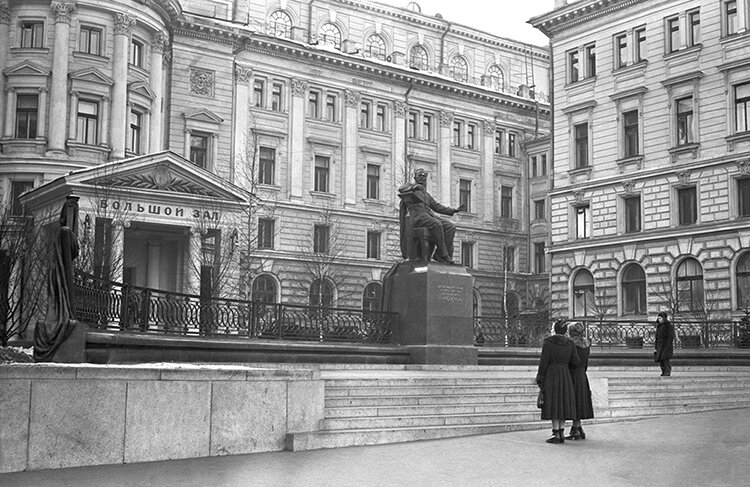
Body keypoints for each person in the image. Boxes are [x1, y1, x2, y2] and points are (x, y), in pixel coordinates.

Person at [398, 168, 465, 264]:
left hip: (428, 216)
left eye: (424, 176)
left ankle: (439, 255)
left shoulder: (427, 195)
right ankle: (444, 254)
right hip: (418, 217)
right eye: (420, 175)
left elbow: (437, 207)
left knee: (450, 226)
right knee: (436, 224)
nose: (422, 177)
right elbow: (401, 189)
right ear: (415, 177)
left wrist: (454, 210)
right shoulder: (411, 188)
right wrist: (414, 187)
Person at [535, 319, 579, 444]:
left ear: (555, 329)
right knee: (563, 403)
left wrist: (540, 378)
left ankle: (556, 433)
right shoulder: (570, 343)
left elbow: (544, 362)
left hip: (552, 375)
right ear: (565, 331)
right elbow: (575, 361)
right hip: (565, 374)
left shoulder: (548, 342)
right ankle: (561, 431)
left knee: (554, 402)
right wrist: (566, 368)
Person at [565, 322, 594, 440]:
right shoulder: (586, 344)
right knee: (580, 400)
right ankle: (578, 427)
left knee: (574, 401)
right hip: (582, 374)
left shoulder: (570, 344)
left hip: (573, 374)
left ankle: (576, 429)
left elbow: (570, 361)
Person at [655, 311, 675, 376]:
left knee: (665, 359)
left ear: (664, 318)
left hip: (666, 346)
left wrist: (668, 346)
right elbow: (657, 337)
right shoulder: (659, 327)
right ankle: (663, 371)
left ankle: (667, 371)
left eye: (660, 318)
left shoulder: (668, 326)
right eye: (658, 318)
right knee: (661, 360)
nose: (659, 320)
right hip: (660, 346)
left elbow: (670, 337)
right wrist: (656, 346)